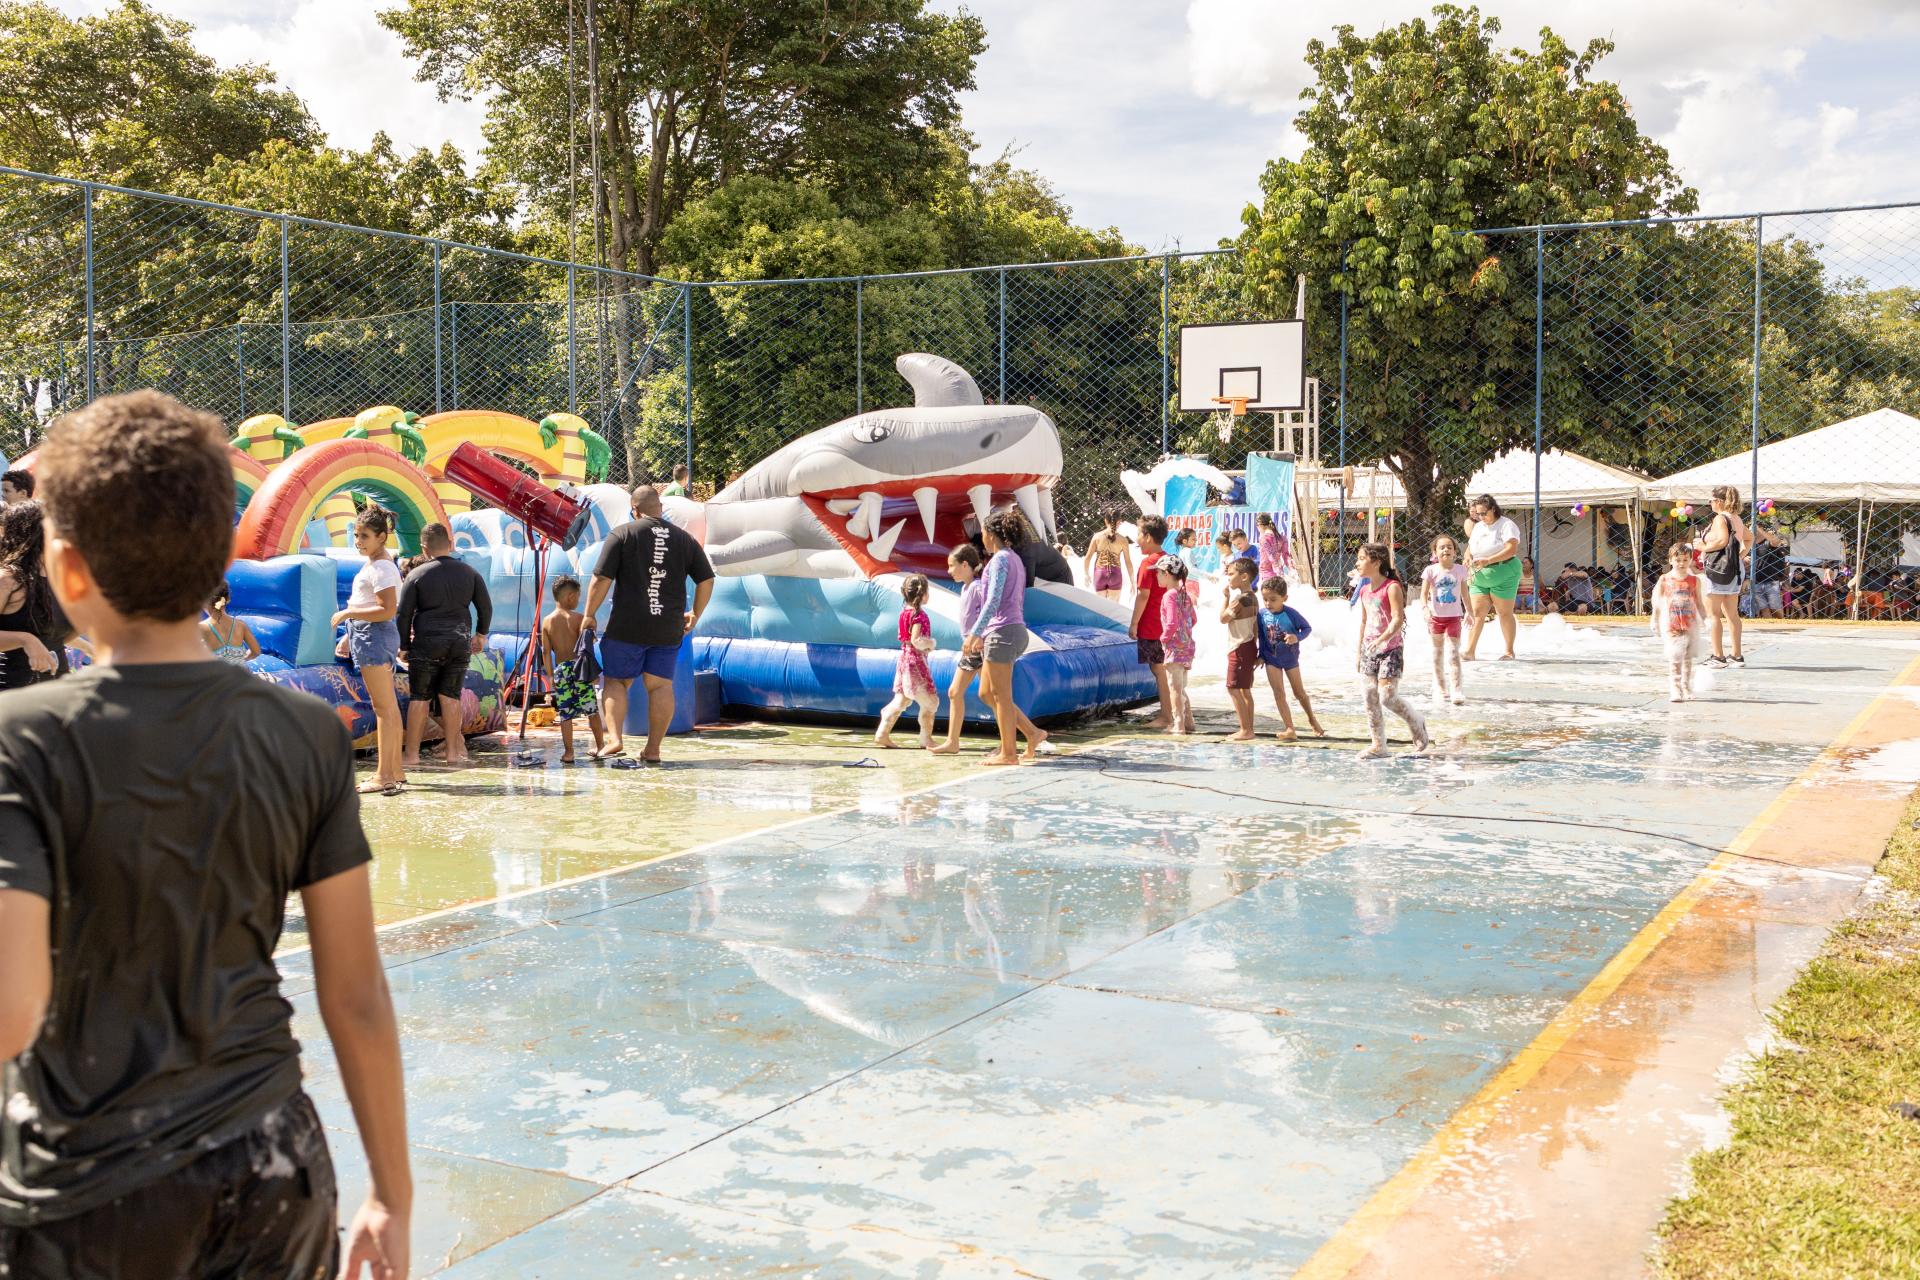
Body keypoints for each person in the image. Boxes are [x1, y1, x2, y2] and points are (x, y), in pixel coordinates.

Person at [0, 390, 409, 1280]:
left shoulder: (22, 739)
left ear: (67, 571)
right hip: (272, 1163)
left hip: (86, 1183)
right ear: (218, 558)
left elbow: (14, 1005)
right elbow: (355, 993)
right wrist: (391, 1193)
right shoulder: (305, 733)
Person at [585, 484, 715, 764]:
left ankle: (615, 739)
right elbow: (706, 579)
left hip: (627, 625)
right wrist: (695, 613)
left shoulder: (622, 534)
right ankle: (653, 748)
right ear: (661, 508)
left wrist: (589, 613)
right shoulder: (684, 539)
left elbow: (602, 578)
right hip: (667, 627)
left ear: (634, 509)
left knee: (617, 682)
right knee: (660, 686)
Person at [932, 545, 1047, 758]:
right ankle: (955, 741)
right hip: (973, 645)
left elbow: (989, 611)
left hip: (979, 646)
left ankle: (1018, 738)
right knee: (982, 695)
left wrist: (979, 637)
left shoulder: (977, 587)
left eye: (952, 566)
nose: (949, 571)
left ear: (964, 565)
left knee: (993, 695)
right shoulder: (966, 588)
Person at [395, 522, 492, 768]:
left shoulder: (416, 575)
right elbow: (485, 607)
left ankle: (412, 755)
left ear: (424, 548)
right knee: (450, 696)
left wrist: (404, 645)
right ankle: (452, 753)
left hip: (427, 641)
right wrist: (480, 635)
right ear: (450, 544)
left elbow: (403, 614)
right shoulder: (470, 573)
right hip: (459, 641)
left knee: (420, 698)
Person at [334, 507, 407, 795]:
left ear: (381, 537)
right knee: (387, 706)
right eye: (356, 535)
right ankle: (395, 770)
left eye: (364, 536)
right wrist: (349, 632)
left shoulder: (381, 568)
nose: (358, 541)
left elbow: (387, 609)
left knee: (383, 708)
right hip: (369, 634)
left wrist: (348, 614)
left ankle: (384, 775)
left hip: (373, 636)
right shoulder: (376, 564)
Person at [964, 511, 1043, 766]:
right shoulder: (1014, 559)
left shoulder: (999, 560)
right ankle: (1031, 733)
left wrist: (976, 631)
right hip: (1008, 630)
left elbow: (993, 600)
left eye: (984, 533)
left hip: (1003, 632)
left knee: (1001, 696)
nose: (982, 538)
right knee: (987, 693)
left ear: (991, 534)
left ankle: (1009, 753)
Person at [1355, 541, 1429, 759]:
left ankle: (1416, 721)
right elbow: (1364, 621)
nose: (1357, 563)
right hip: (1369, 649)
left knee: (1387, 697)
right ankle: (1378, 745)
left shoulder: (1391, 587)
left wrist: (1382, 639)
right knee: (1369, 696)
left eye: (1362, 558)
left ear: (1376, 562)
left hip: (1390, 649)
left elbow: (1398, 619)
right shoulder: (1364, 591)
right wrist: (1359, 652)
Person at [0, 501, 72, 691]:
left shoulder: (59, 577)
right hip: (11, 692)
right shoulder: (7, 580)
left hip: (56, 691)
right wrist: (25, 639)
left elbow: (56, 634)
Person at [541, 575, 607, 763]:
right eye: (578, 597)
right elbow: (587, 648)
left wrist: (550, 675)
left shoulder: (547, 621)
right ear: (570, 597)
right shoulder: (579, 619)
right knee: (591, 709)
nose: (578, 601)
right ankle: (600, 747)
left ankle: (569, 753)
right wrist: (592, 673)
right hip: (580, 669)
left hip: (561, 670)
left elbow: (546, 652)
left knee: (565, 713)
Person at [875, 573, 938, 749]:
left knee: (902, 699)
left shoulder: (905, 613)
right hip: (915, 663)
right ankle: (926, 738)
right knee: (931, 701)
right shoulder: (919, 615)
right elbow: (916, 640)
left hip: (904, 660)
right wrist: (931, 644)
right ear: (922, 594)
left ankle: (882, 733)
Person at [1257, 577, 1324, 740]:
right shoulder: (1261, 614)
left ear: (1284, 598)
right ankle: (1289, 728)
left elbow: (1306, 628)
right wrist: (1261, 656)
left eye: (1273, 599)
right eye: (1265, 599)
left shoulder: (1291, 614)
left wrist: (1296, 637)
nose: (1268, 603)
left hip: (1290, 659)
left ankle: (1312, 719)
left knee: (1299, 693)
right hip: (1271, 659)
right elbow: (1261, 637)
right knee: (1278, 693)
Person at [1696, 484, 1750, 668]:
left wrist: (1702, 547)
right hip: (1734, 568)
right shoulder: (1736, 518)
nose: (1710, 503)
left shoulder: (1720, 518)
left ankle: (1718, 656)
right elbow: (1749, 538)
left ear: (1719, 501)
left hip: (1719, 569)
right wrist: (1740, 556)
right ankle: (1736, 655)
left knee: (1713, 614)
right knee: (1732, 613)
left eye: (1711, 500)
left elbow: (1722, 540)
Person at [1128, 515, 1174, 729]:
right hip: (1167, 621)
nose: (1137, 539)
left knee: (1159, 669)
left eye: (1139, 534)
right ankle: (1180, 715)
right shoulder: (1168, 559)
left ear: (1147, 537)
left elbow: (1143, 595)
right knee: (1170, 670)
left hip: (1152, 624)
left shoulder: (1149, 563)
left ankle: (1166, 715)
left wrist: (1134, 623)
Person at [1463, 495, 1522, 660]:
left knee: (1504, 613)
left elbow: (1511, 549)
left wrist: (1488, 560)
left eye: (1484, 513)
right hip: (1479, 575)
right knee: (1476, 613)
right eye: (1478, 514)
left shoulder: (1506, 525)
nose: (1481, 517)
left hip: (1504, 572)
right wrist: (1467, 557)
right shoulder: (1478, 527)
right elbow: (1470, 547)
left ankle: (1509, 651)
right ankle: (1469, 651)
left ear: (1493, 509)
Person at [1652, 542, 1706, 702]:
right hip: (1672, 623)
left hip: (1690, 623)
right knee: (1675, 657)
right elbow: (1657, 603)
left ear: (1690, 560)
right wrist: (1655, 620)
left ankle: (1686, 686)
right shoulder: (1664, 579)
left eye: (1685, 560)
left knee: (1688, 657)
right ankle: (1675, 688)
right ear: (1670, 560)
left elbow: (1699, 603)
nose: (1681, 563)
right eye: (1678, 560)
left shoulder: (1694, 580)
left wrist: (1705, 619)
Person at [1421, 534, 1469, 705]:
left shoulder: (1460, 570)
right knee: (1437, 654)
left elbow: (1465, 594)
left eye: (1449, 547)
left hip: (1454, 617)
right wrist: (1425, 609)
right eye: (1441, 547)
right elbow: (1423, 595)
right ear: (1435, 552)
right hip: (1436, 618)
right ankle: (1441, 688)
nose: (1446, 550)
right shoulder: (1430, 571)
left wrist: (1469, 612)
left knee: (1454, 654)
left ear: (1455, 551)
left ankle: (1456, 690)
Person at [1220, 556, 1259, 742]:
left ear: (1244, 577)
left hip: (1239, 646)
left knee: (1233, 688)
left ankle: (1245, 730)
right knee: (1244, 689)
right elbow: (1255, 627)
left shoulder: (1240, 600)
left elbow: (1223, 618)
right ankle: (1248, 728)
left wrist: (1226, 598)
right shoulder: (1253, 598)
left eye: (1231, 574)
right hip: (1249, 645)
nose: (1228, 577)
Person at [1158, 555, 1197, 735]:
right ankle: (1189, 721)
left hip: (1174, 648)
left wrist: (1164, 638)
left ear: (1166, 573)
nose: (1156, 576)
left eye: (1158, 573)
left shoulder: (1169, 595)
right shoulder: (1184, 594)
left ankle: (1178, 724)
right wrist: (1184, 633)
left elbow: (1171, 622)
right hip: (1187, 646)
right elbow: (1193, 619)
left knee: (1174, 688)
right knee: (1181, 686)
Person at [199, 581, 259, 664]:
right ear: (227, 599)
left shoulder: (201, 628)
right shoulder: (241, 625)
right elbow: (256, 652)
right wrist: (240, 660)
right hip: (238, 671)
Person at [1083, 508, 1132, 600]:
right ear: (1119, 522)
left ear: (1105, 520)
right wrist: (1132, 582)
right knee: (1113, 607)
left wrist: (1086, 574)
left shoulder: (1097, 536)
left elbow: (1087, 558)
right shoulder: (1123, 540)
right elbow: (1128, 562)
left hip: (1099, 574)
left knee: (1100, 607)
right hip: (1115, 574)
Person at [1011, 516, 1074, 586]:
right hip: (1055, 573)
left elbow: (1028, 583)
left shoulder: (1027, 551)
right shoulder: (1027, 536)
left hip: (1060, 578)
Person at [1748, 520, 1788, 618]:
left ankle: (1781, 625)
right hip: (1756, 581)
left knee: (1775, 609)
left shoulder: (1767, 542)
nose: (1751, 531)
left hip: (1770, 581)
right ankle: (1770, 626)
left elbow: (1775, 541)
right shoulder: (1750, 544)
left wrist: (1759, 529)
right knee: (1764, 609)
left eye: (1753, 529)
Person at [1255, 512, 1286, 582]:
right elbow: (1286, 556)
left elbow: (1271, 556)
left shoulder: (1264, 538)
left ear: (1259, 524)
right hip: (1278, 572)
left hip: (1266, 572)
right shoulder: (1281, 537)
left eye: (1257, 525)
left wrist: (1278, 571)